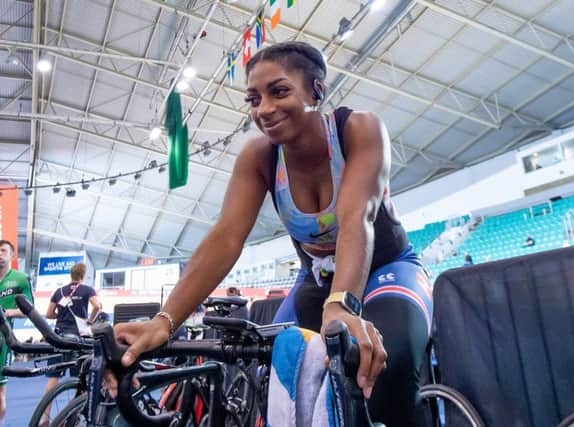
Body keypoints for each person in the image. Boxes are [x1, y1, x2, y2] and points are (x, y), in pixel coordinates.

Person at [111, 41, 432, 426]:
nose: (263, 109)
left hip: (385, 269)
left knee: (384, 363)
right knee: (269, 371)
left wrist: (342, 304)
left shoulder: (358, 129)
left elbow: (355, 219)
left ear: (317, 91)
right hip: (315, 281)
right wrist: (164, 321)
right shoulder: (259, 156)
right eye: (253, 98)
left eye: (279, 91)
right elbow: (227, 237)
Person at [39, 262, 101, 427]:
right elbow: (97, 306)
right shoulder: (87, 290)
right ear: (83, 275)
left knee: (53, 378)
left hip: (59, 337)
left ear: (71, 275)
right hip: (78, 339)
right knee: (80, 378)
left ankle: (45, 418)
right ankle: (76, 416)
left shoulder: (59, 291)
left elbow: (48, 313)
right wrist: (90, 321)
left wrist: (60, 315)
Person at [0, 240, 33, 422]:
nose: (0, 254)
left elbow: (29, 309)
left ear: (11, 255)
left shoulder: (20, 279)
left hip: (2, 339)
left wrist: (6, 312)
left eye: (3, 251)